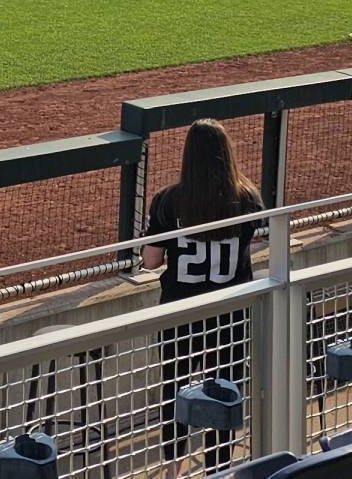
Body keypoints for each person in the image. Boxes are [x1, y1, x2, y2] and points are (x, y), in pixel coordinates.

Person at [140, 121, 265, 476]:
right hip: (229, 315)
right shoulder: (247, 197)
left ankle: (172, 469)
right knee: (223, 391)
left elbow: (150, 261)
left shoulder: (169, 200)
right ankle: (219, 470)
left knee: (175, 389)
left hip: (181, 315)